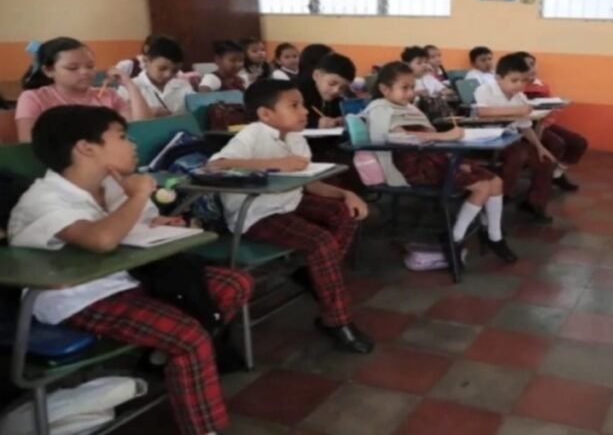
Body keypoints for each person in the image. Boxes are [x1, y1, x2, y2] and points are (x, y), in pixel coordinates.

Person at [8, 105, 253, 435]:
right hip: (77, 298)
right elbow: (103, 239)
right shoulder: (45, 198)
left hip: (129, 279)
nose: (133, 144)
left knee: (235, 284)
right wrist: (137, 196)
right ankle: (203, 427)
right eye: (122, 137)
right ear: (86, 147)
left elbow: (133, 226)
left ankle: (161, 357)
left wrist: (158, 221)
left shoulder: (110, 186)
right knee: (190, 337)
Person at [208, 79, 373, 353]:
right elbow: (215, 166)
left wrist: (346, 195)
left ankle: (312, 272)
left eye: (303, 105)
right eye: (294, 105)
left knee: (346, 213)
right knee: (321, 242)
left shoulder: (296, 138)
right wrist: (274, 163)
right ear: (265, 114)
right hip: (256, 214)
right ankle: (337, 321)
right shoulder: (253, 134)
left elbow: (311, 184)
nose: (304, 111)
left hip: (289, 203)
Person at [364, 62, 516, 263]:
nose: (411, 93)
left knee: (496, 182)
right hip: (412, 166)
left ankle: (494, 236)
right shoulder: (379, 110)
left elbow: (431, 135)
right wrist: (446, 137)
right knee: (482, 187)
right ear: (384, 89)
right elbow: (390, 138)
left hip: (435, 157)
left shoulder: (408, 107)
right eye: (405, 88)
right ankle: (455, 237)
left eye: (412, 87)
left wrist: (449, 150)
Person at [16, 37, 152, 143]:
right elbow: (29, 143)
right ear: (49, 71)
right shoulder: (33, 98)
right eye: (72, 68)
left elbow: (143, 129)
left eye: (90, 66)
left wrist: (129, 85)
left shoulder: (108, 96)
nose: (85, 72)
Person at [474, 54, 559, 223]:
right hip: (488, 141)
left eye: (524, 81)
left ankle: (534, 203)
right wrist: (518, 111)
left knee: (545, 161)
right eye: (514, 81)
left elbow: (524, 126)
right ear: (499, 78)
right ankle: (500, 197)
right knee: (519, 154)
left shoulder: (520, 97)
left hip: (511, 140)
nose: (519, 85)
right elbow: (482, 112)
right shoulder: (485, 89)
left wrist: (539, 147)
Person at [516, 51, 587, 192]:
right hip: (524, 126)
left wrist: (545, 124)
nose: (531, 68)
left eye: (532, 64)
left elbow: (550, 111)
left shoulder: (541, 85)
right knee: (556, 143)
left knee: (579, 142)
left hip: (543, 123)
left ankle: (556, 174)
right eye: (526, 65)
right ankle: (540, 186)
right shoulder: (515, 85)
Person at [119, 35, 194, 117]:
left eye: (175, 70)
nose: (168, 75)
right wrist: (148, 112)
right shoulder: (129, 88)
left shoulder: (184, 86)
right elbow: (118, 120)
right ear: (146, 61)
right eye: (162, 68)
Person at [298, 53, 357, 129]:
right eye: (332, 83)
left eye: (343, 88)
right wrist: (315, 123)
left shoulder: (337, 99)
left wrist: (339, 120)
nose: (336, 90)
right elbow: (287, 120)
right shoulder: (297, 94)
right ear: (316, 75)